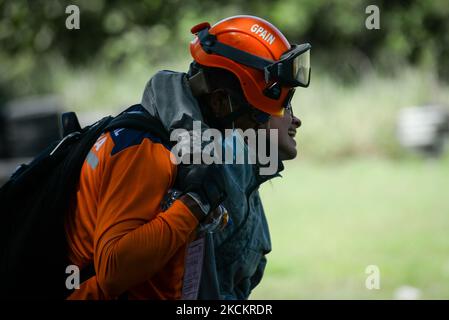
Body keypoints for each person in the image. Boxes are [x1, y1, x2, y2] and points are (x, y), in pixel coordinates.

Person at [65, 15, 310, 299]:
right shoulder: (142, 150)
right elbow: (112, 269)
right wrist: (195, 205)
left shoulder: (199, 150)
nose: (262, 121)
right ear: (221, 100)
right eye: (258, 112)